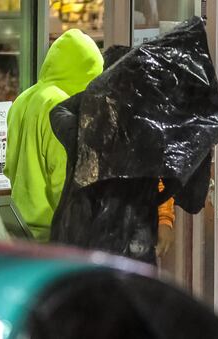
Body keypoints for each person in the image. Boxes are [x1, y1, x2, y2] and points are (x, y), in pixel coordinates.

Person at [50, 45, 175, 262]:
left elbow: (58, 111)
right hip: (127, 239)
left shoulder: (102, 126)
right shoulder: (139, 120)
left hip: (97, 236)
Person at [4, 29, 103, 242]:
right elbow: (63, 178)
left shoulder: (23, 99)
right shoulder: (60, 106)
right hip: (51, 233)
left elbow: (8, 165)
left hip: (17, 226)